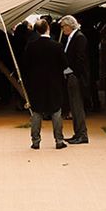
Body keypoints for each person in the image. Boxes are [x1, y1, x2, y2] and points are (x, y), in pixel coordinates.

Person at [23, 18, 68, 150]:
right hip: (54, 82)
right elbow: (65, 64)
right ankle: (59, 140)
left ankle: (35, 141)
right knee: (56, 111)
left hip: (36, 83)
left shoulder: (31, 46)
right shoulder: (57, 46)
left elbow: (25, 66)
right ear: (48, 28)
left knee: (36, 112)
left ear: (36, 30)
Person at [59, 15, 90, 144]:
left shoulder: (79, 37)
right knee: (74, 106)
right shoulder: (72, 38)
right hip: (71, 75)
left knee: (77, 106)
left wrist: (71, 71)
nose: (62, 29)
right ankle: (77, 133)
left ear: (69, 25)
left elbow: (80, 59)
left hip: (75, 76)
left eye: (63, 26)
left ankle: (82, 134)